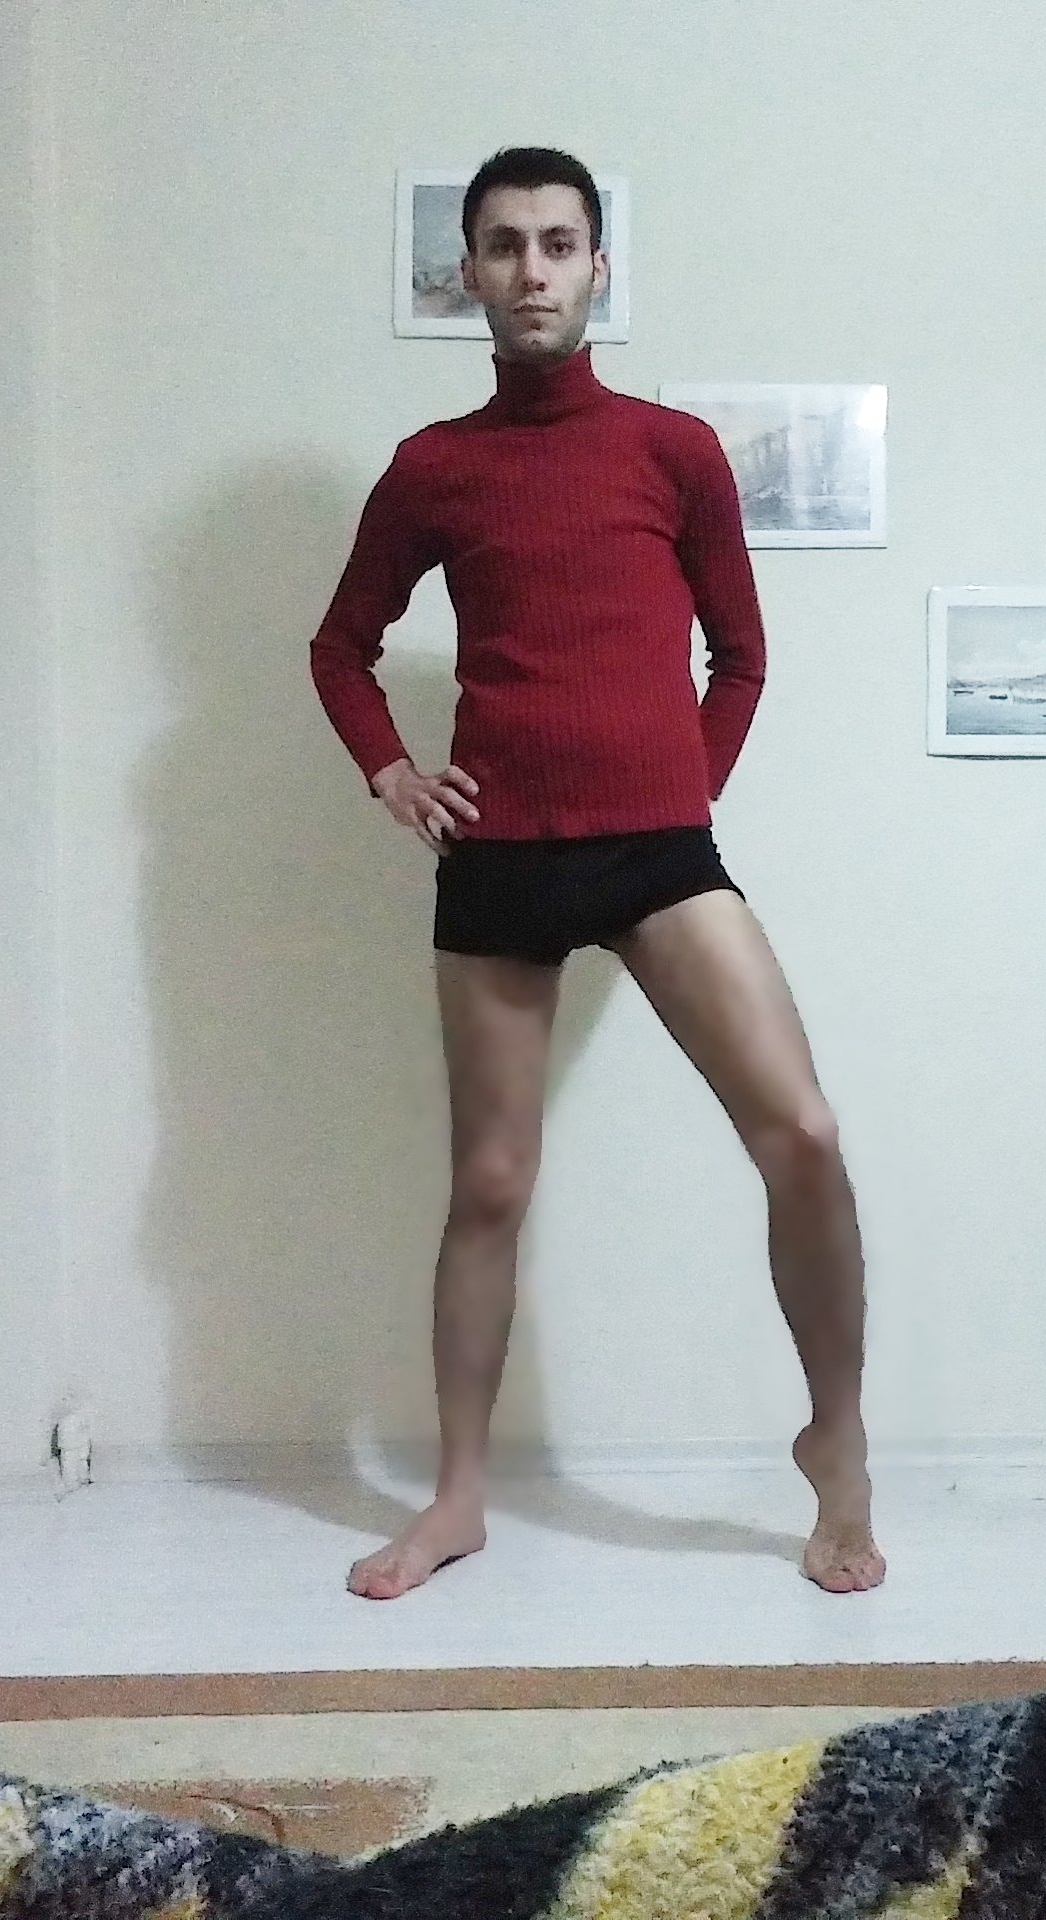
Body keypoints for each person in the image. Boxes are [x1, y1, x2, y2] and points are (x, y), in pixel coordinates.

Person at [311, 147, 883, 1600]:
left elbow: (741, 658)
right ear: (470, 274)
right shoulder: (434, 468)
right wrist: (390, 770)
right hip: (497, 864)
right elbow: (341, 647)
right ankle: (456, 1499)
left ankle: (836, 1437)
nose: (532, 270)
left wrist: (684, 790)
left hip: (658, 855)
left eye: (558, 243)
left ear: (597, 268)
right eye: (504, 245)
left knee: (804, 1132)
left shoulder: (672, 450)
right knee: (490, 1184)